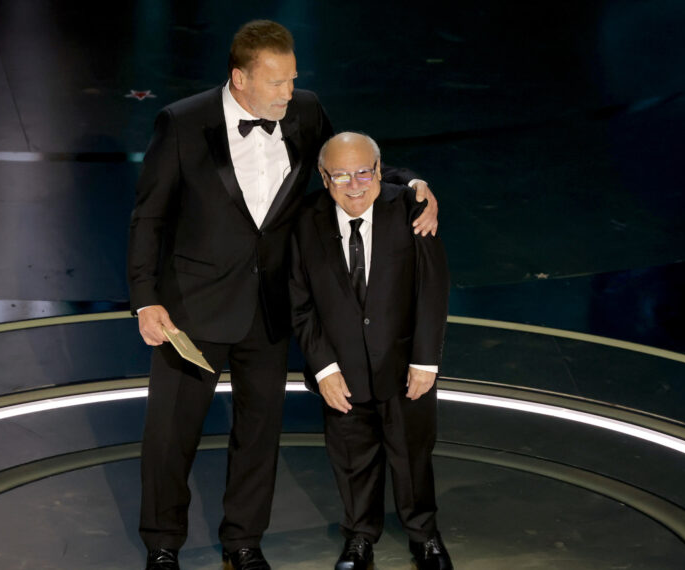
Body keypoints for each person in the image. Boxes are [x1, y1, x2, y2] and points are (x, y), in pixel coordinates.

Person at [127, 20, 439, 570]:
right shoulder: (181, 123)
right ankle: (162, 545)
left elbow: (349, 164)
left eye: (293, 80)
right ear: (239, 79)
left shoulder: (305, 111)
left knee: (258, 433)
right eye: (276, 83)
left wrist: (413, 184)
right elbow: (149, 217)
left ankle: (243, 543)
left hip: (271, 307)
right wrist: (145, 298)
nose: (288, 94)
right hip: (191, 309)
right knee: (171, 436)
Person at [289, 132, 453, 570]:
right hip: (341, 371)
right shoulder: (305, 220)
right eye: (341, 175)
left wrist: (425, 360)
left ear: (380, 171)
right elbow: (299, 301)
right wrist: (323, 368)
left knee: (412, 455)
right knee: (351, 459)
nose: (354, 185)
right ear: (325, 178)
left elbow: (431, 291)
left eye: (364, 172)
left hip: (404, 367)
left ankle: (424, 534)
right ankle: (360, 537)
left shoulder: (410, 209)